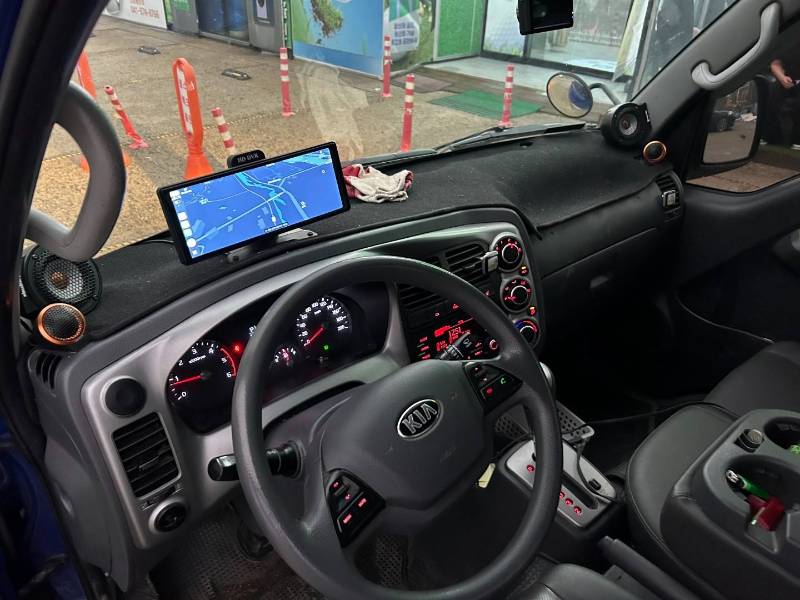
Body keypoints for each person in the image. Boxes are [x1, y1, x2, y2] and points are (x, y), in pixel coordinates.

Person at [765, 50, 800, 149]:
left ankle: (797, 139)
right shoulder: (789, 44)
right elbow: (775, 64)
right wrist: (782, 77)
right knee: (772, 91)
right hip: (788, 79)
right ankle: (770, 137)